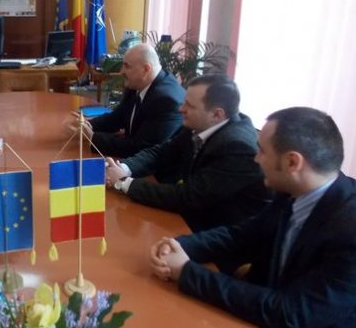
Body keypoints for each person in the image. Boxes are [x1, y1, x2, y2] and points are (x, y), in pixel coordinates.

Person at [150, 107, 356, 328]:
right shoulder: (293, 190)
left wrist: (186, 272)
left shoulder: (350, 230)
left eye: (262, 151)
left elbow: (289, 313)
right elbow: (241, 236)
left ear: (292, 162)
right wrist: (180, 246)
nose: (256, 159)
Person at [105, 74, 269, 237]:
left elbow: (189, 197)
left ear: (217, 114)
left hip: (218, 234)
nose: (181, 109)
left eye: (189, 105)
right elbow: (162, 153)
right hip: (193, 217)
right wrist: (123, 168)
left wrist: (124, 182)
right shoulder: (202, 123)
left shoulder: (237, 147)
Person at [71, 43, 185, 158]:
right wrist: (86, 125)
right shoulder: (138, 83)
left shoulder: (166, 100)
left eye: (127, 66)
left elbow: (140, 147)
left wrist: (92, 137)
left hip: (155, 167)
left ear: (146, 69)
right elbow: (118, 117)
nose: (121, 71)